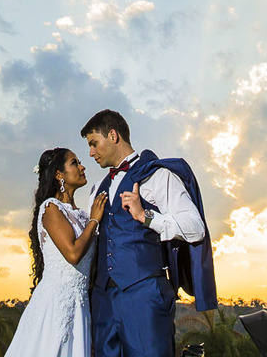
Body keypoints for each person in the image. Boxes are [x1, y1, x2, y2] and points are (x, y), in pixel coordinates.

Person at [81, 109, 217, 357]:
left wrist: (147, 217)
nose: (90, 153)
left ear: (113, 135)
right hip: (102, 301)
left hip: (145, 297)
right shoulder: (96, 189)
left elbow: (195, 228)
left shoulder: (156, 176)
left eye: (94, 143)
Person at [4, 147, 109, 357]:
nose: (82, 166)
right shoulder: (51, 208)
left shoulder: (80, 215)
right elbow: (73, 254)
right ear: (59, 175)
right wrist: (95, 220)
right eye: (74, 163)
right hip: (55, 306)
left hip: (80, 306)